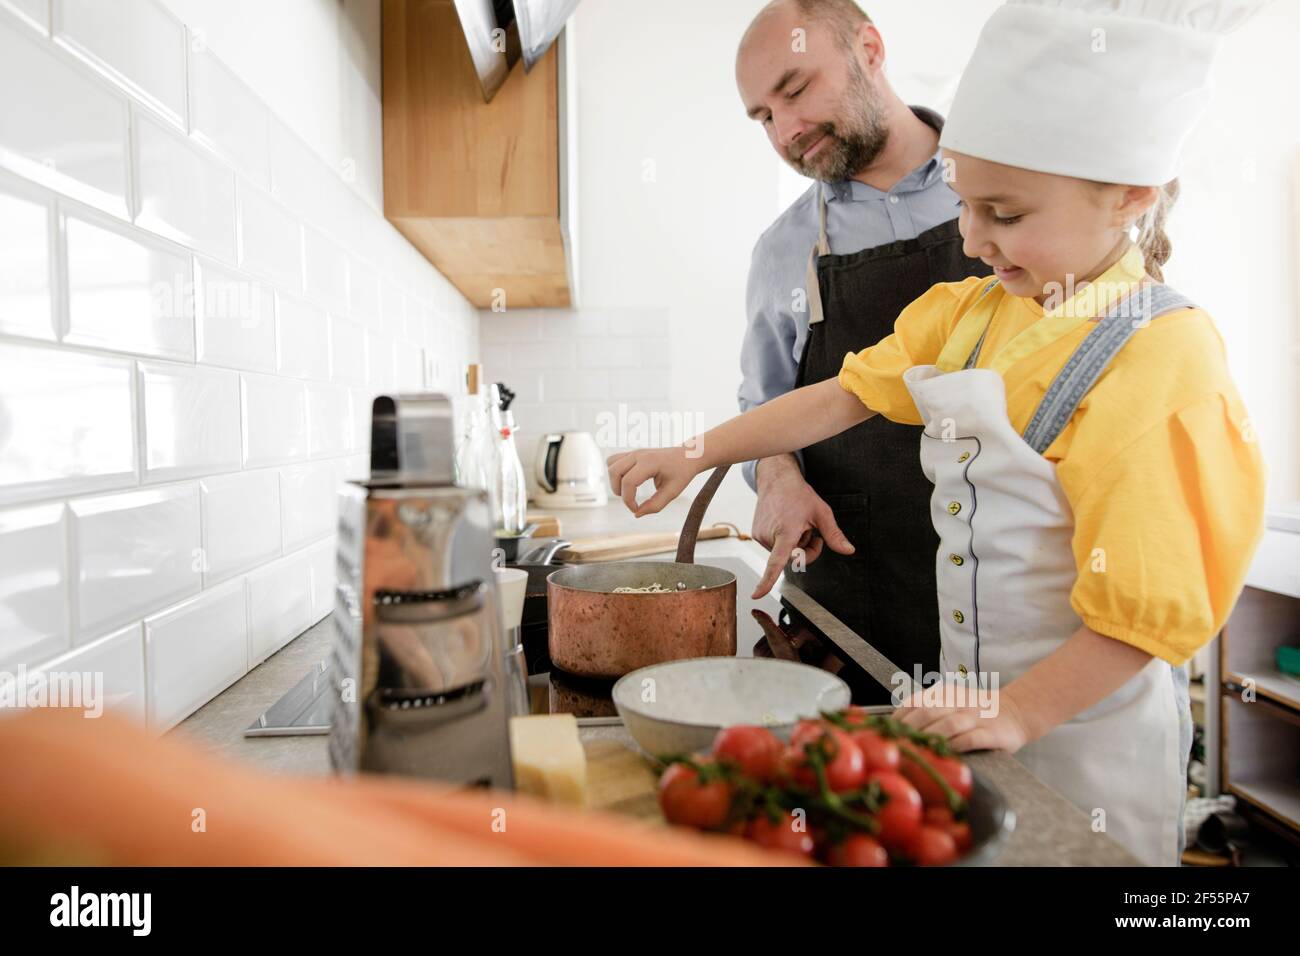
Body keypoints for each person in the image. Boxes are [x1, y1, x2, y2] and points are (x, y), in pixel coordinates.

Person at [610, 0, 1268, 866]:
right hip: (976, 713)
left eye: (1004, 213)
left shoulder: (1161, 358)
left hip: (1086, 739)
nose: (971, 238)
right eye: (965, 204)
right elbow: (839, 396)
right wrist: (692, 452)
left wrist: (1022, 710)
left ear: (1131, 196)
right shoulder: (975, 311)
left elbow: (1148, 616)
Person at [736, 0, 991, 697]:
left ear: (870, 50)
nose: (786, 129)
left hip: (1015, 600)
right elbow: (765, 410)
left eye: (794, 89)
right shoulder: (783, 251)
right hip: (852, 616)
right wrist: (778, 478)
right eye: (763, 117)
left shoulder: (1001, 189)